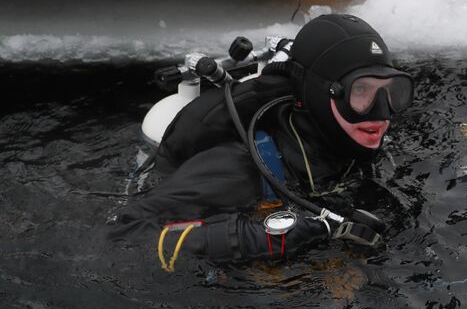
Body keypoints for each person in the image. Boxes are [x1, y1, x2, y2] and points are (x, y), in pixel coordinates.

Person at [110, 14, 413, 268]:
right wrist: (262, 238)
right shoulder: (240, 166)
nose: (382, 113)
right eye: (361, 91)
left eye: (390, 91)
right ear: (321, 94)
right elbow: (125, 234)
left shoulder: (351, 144)